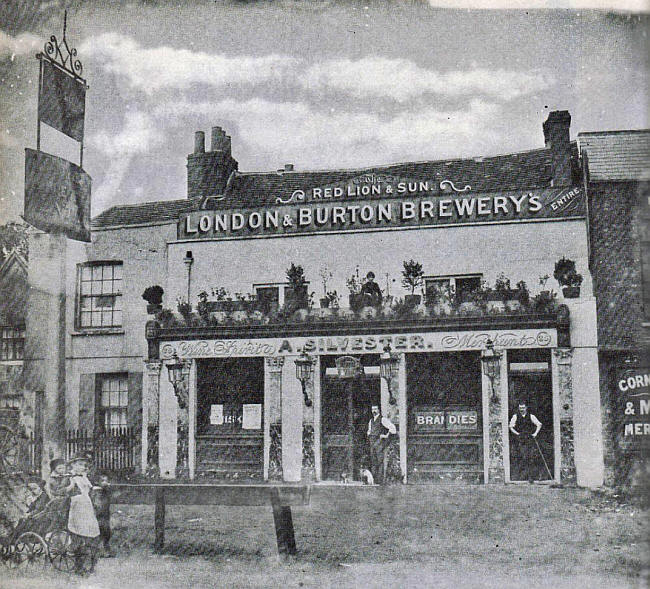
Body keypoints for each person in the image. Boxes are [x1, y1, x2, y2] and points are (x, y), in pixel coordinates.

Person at [67, 453, 101, 575]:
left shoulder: (84, 477)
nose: (83, 467)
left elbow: (89, 489)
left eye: (84, 465)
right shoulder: (70, 477)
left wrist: (94, 489)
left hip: (87, 506)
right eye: (80, 465)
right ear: (73, 465)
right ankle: (79, 566)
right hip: (77, 506)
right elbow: (66, 491)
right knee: (80, 534)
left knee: (92, 533)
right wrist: (71, 486)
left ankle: (90, 565)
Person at [509, 401, 542, 483]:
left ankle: (531, 477)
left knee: (531, 457)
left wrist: (535, 433)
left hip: (529, 438)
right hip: (520, 439)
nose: (521, 409)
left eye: (523, 408)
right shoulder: (515, 416)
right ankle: (520, 477)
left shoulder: (531, 416)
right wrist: (517, 434)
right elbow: (510, 426)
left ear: (526, 408)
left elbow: (539, 424)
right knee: (522, 456)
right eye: (520, 408)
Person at [367, 404, 396, 484]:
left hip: (379, 442)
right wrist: (369, 434)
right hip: (372, 442)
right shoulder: (371, 421)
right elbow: (369, 430)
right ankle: (374, 480)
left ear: (379, 410)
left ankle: (380, 481)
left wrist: (386, 435)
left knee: (380, 461)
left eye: (375, 409)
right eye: (373, 409)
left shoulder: (383, 419)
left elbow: (392, 428)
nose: (374, 411)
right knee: (373, 461)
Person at [91, 473, 114, 557]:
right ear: (97, 482)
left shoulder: (105, 491)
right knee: (100, 532)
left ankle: (106, 549)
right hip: (99, 515)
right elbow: (96, 503)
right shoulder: (96, 491)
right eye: (103, 481)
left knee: (107, 532)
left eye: (107, 481)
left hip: (105, 514)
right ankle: (100, 550)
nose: (105, 482)